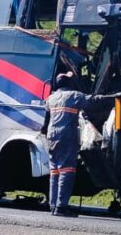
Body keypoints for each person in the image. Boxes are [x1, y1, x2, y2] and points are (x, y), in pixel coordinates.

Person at [43, 72, 107, 216]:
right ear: (69, 82)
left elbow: (46, 114)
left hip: (51, 136)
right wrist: (112, 98)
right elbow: (92, 101)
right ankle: (61, 207)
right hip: (66, 136)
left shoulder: (51, 98)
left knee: (54, 171)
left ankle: (53, 206)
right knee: (66, 171)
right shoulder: (74, 95)